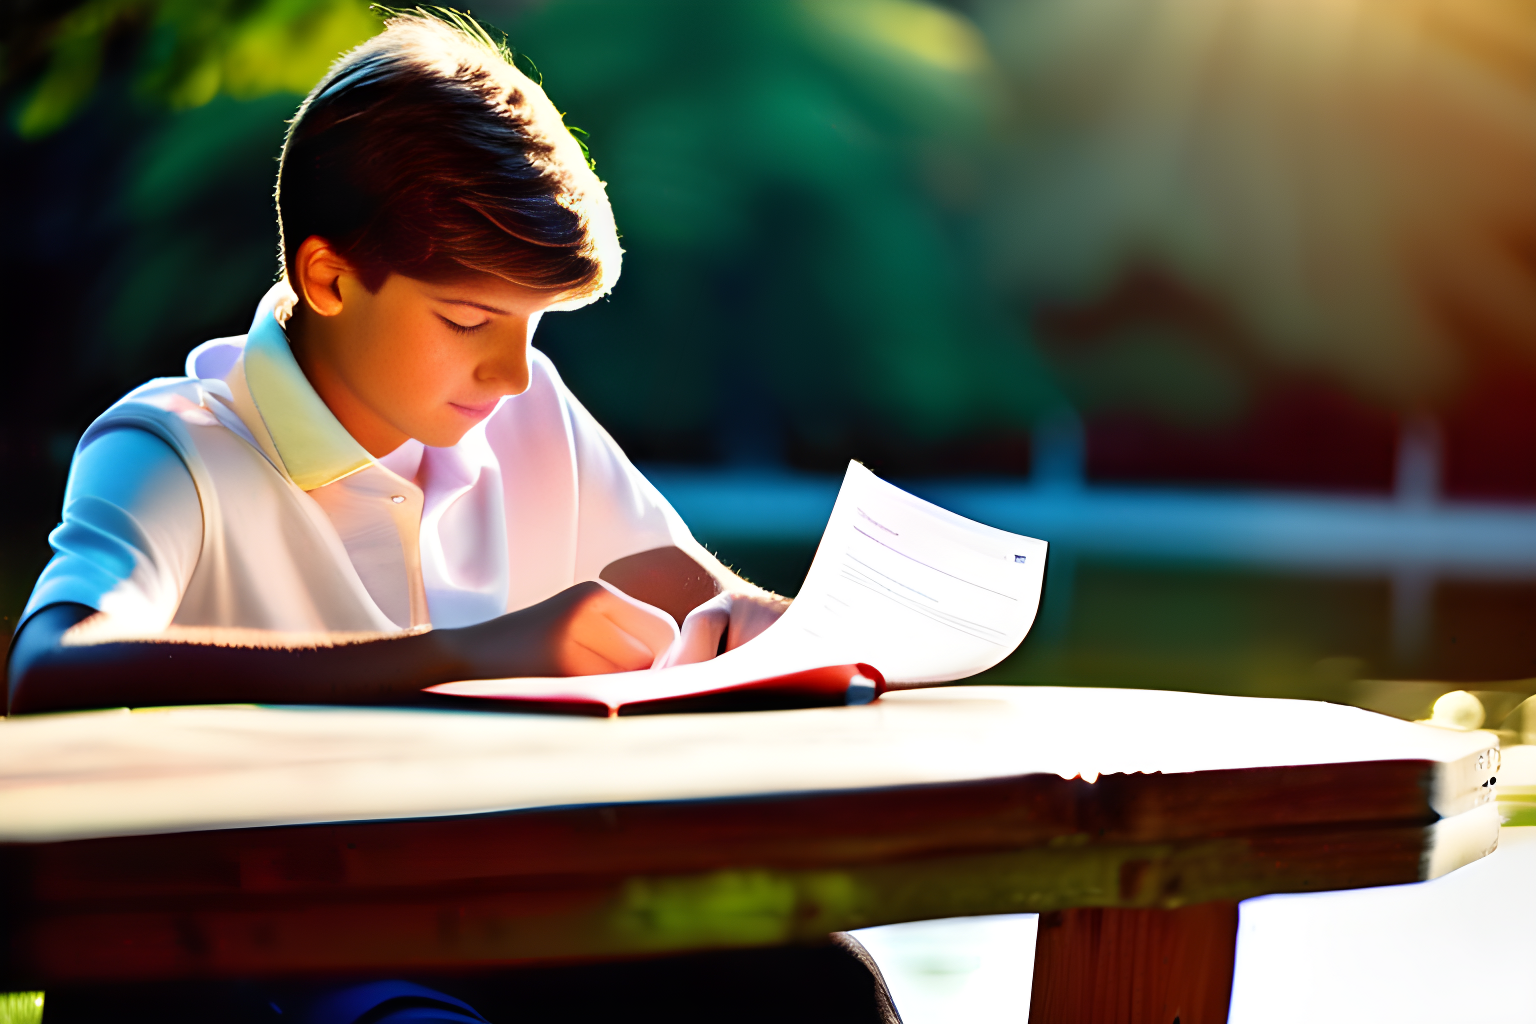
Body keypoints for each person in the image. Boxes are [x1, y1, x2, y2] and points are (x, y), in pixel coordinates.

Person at [5, 11, 900, 1023]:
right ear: (329, 275)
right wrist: (465, 655)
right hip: (263, 949)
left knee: (820, 987)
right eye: (470, 321)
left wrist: (793, 639)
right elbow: (52, 669)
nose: (514, 372)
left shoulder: (526, 406)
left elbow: (709, 599)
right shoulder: (174, 448)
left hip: (501, 915)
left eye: (530, 326)